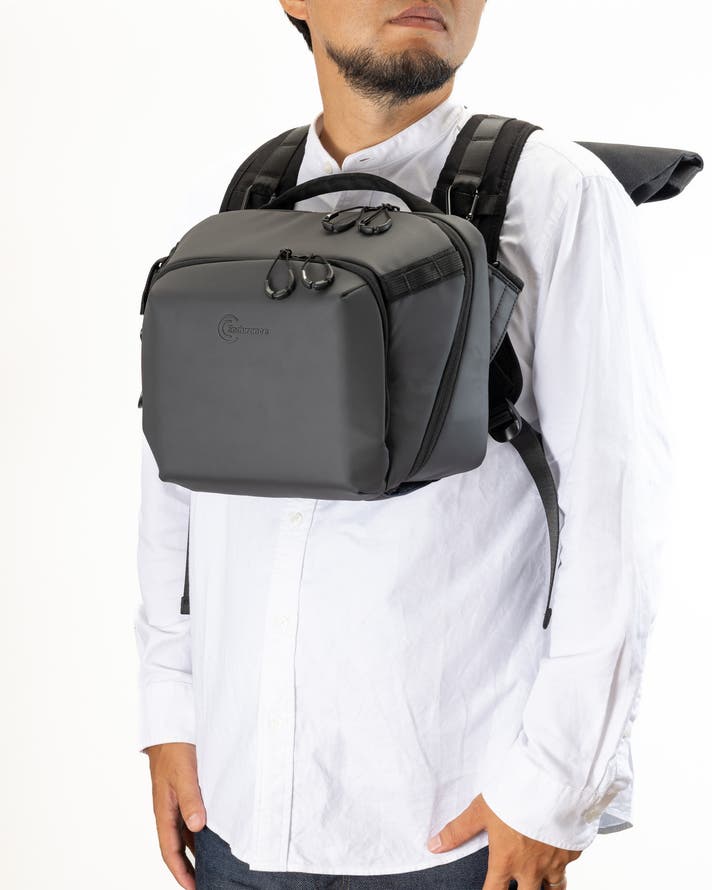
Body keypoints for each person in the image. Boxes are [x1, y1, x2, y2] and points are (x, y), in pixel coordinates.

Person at [134, 2, 672, 889]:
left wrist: (555, 789)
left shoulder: (555, 194)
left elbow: (618, 506)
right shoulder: (243, 196)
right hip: (238, 806)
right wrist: (169, 713)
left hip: (450, 827)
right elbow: (176, 482)